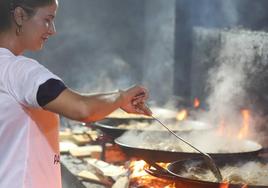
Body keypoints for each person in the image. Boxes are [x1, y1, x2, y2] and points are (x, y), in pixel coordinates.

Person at [0, 0, 152, 187]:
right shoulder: (18, 70)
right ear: (20, 15)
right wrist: (121, 97)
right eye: (47, 19)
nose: (52, 30)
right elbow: (82, 108)